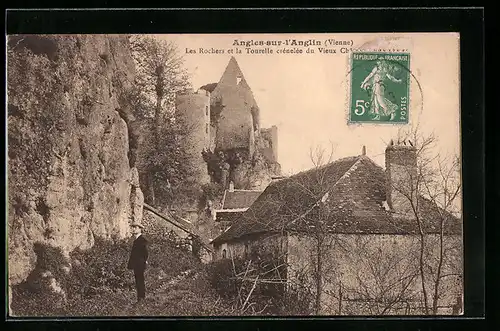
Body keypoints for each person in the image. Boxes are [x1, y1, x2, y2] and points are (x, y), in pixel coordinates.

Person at [127, 222, 148, 304]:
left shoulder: (142, 240)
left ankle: (141, 298)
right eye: (133, 227)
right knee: (138, 280)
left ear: (140, 229)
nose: (133, 229)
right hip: (137, 264)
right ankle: (140, 298)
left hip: (139, 264)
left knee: (140, 281)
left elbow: (145, 253)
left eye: (135, 227)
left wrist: (142, 262)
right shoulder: (136, 240)